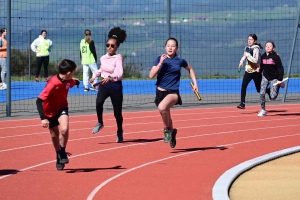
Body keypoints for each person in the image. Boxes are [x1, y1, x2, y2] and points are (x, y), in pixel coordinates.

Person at [149, 37, 198, 148]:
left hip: (173, 93)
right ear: (165, 47)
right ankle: (172, 132)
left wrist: (195, 84)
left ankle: (166, 130)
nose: (170, 48)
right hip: (160, 92)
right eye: (168, 45)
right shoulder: (159, 59)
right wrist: (160, 63)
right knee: (166, 114)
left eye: (173, 46)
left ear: (176, 48)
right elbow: (151, 75)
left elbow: (190, 69)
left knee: (162, 107)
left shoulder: (180, 61)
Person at [36, 59, 80, 170]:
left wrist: (77, 82)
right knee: (54, 134)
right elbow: (39, 100)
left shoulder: (69, 81)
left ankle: (62, 151)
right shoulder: (52, 83)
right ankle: (58, 154)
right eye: (74, 72)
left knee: (64, 129)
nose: (74, 74)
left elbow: (74, 82)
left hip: (62, 108)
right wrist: (43, 118)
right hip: (49, 112)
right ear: (69, 73)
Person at [89, 27, 127, 143]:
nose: (109, 47)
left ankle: (119, 131)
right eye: (108, 45)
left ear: (117, 47)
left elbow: (119, 73)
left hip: (115, 86)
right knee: (99, 102)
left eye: (112, 46)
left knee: (117, 112)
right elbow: (101, 69)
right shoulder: (103, 58)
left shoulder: (118, 58)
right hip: (104, 85)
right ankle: (100, 122)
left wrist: (110, 78)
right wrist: (94, 76)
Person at [237, 34, 270, 109]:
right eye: (248, 39)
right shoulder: (247, 48)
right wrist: (241, 62)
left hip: (256, 71)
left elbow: (255, 60)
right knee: (244, 85)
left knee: (259, 89)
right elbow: (244, 56)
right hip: (248, 71)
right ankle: (242, 103)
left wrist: (248, 55)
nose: (249, 40)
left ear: (255, 41)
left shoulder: (256, 49)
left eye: (251, 39)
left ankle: (269, 91)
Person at [258, 41, 284, 117]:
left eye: (270, 46)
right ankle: (263, 110)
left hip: (274, 78)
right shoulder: (263, 56)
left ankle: (279, 86)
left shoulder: (275, 57)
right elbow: (262, 66)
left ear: (273, 48)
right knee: (261, 93)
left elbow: (280, 69)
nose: (268, 47)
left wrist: (279, 79)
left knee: (273, 97)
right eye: (266, 46)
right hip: (265, 77)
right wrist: (259, 70)